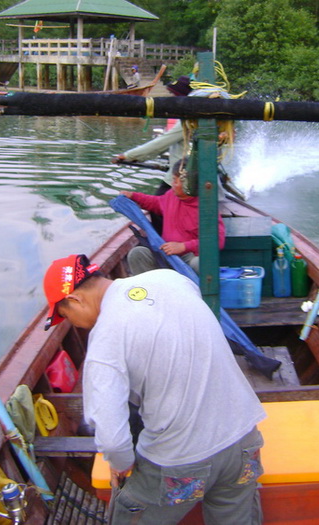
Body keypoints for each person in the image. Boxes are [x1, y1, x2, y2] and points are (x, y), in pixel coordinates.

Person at [43, 254, 266, 524]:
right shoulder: (170, 279)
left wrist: (121, 463)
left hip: (181, 463)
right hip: (243, 441)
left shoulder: (105, 341)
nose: (74, 324)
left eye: (67, 316)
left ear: (76, 300)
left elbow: (113, 438)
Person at [120, 159, 225, 274]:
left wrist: (183, 247)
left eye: (175, 181)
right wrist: (133, 196)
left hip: (188, 259)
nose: (172, 184)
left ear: (188, 184)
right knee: (137, 254)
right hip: (166, 255)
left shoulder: (206, 207)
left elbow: (217, 241)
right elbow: (156, 203)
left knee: (199, 263)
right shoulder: (171, 195)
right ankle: (151, 290)